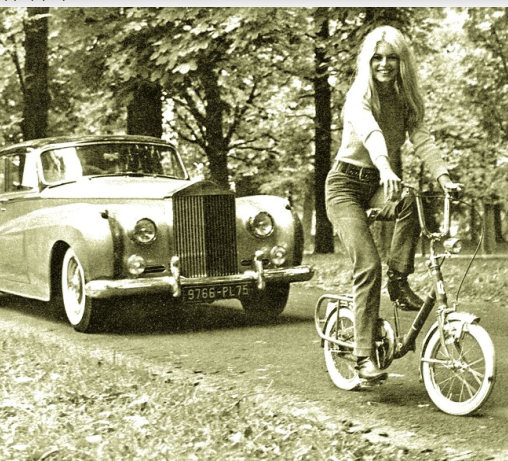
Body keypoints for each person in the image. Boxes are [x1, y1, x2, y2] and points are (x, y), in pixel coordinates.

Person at [325, 25, 455, 381]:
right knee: (368, 265)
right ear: (368, 62)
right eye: (377, 58)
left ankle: (398, 280)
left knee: (412, 200)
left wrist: (444, 177)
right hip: (344, 186)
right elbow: (371, 133)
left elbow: (422, 139)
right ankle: (362, 356)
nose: (384, 64)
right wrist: (385, 167)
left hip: (378, 185)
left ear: (402, 62)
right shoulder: (359, 95)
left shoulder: (405, 99)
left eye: (392, 58)